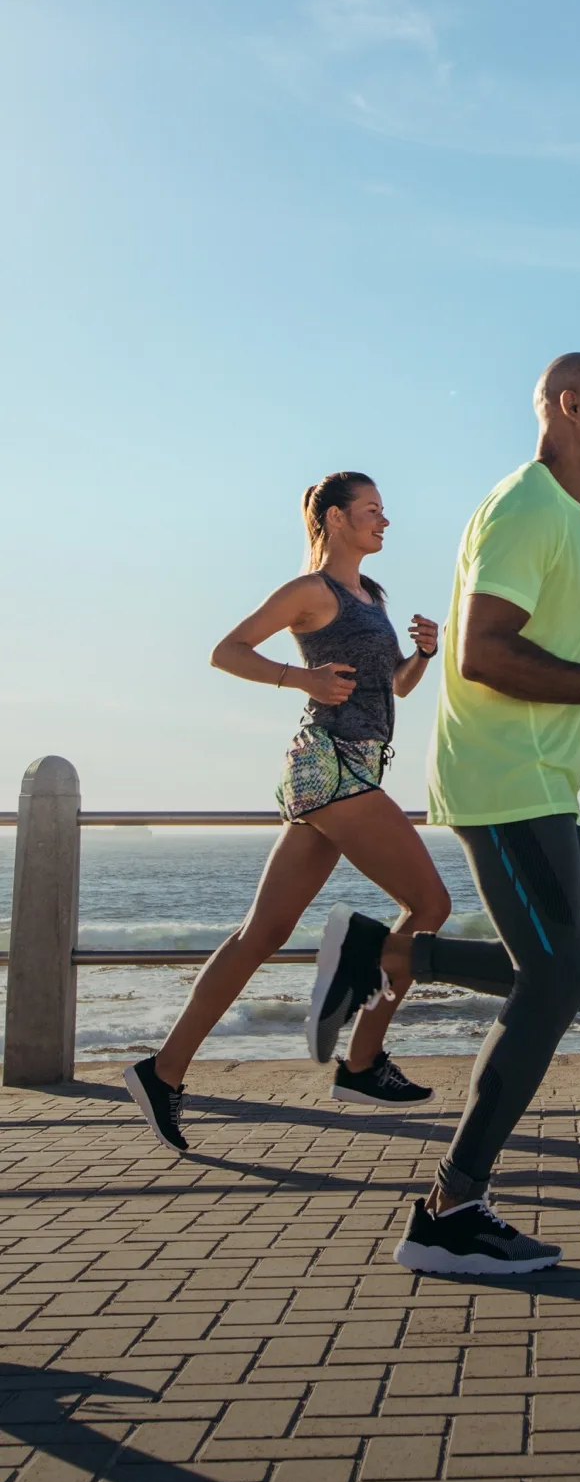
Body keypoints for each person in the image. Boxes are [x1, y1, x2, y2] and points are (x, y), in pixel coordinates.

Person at [311, 353, 580, 1274]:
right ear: (571, 407)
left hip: (544, 779)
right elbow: (482, 654)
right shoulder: (528, 507)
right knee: (553, 983)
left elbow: (527, 646)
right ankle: (451, 1208)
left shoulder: (561, 514)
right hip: (503, 781)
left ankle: (384, 952)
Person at [124, 471, 451, 1155]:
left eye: (384, 512)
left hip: (354, 764)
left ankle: (162, 1072)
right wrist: (297, 678)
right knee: (430, 904)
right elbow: (227, 651)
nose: (384, 522)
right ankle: (361, 1063)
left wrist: (422, 655)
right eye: (371, 511)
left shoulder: (371, 595)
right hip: (327, 763)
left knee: (261, 933)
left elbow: (391, 686)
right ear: (334, 518)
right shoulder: (312, 591)